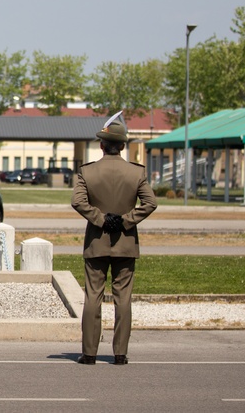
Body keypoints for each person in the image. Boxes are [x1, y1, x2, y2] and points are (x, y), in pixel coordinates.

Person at [71, 115, 157, 365]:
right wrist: (126, 220)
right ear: (122, 146)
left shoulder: (88, 171)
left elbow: (78, 201)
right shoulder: (135, 173)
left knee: (93, 297)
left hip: (97, 241)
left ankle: (89, 353)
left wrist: (100, 219)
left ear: (101, 145)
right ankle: (120, 353)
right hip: (125, 243)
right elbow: (151, 202)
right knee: (123, 298)